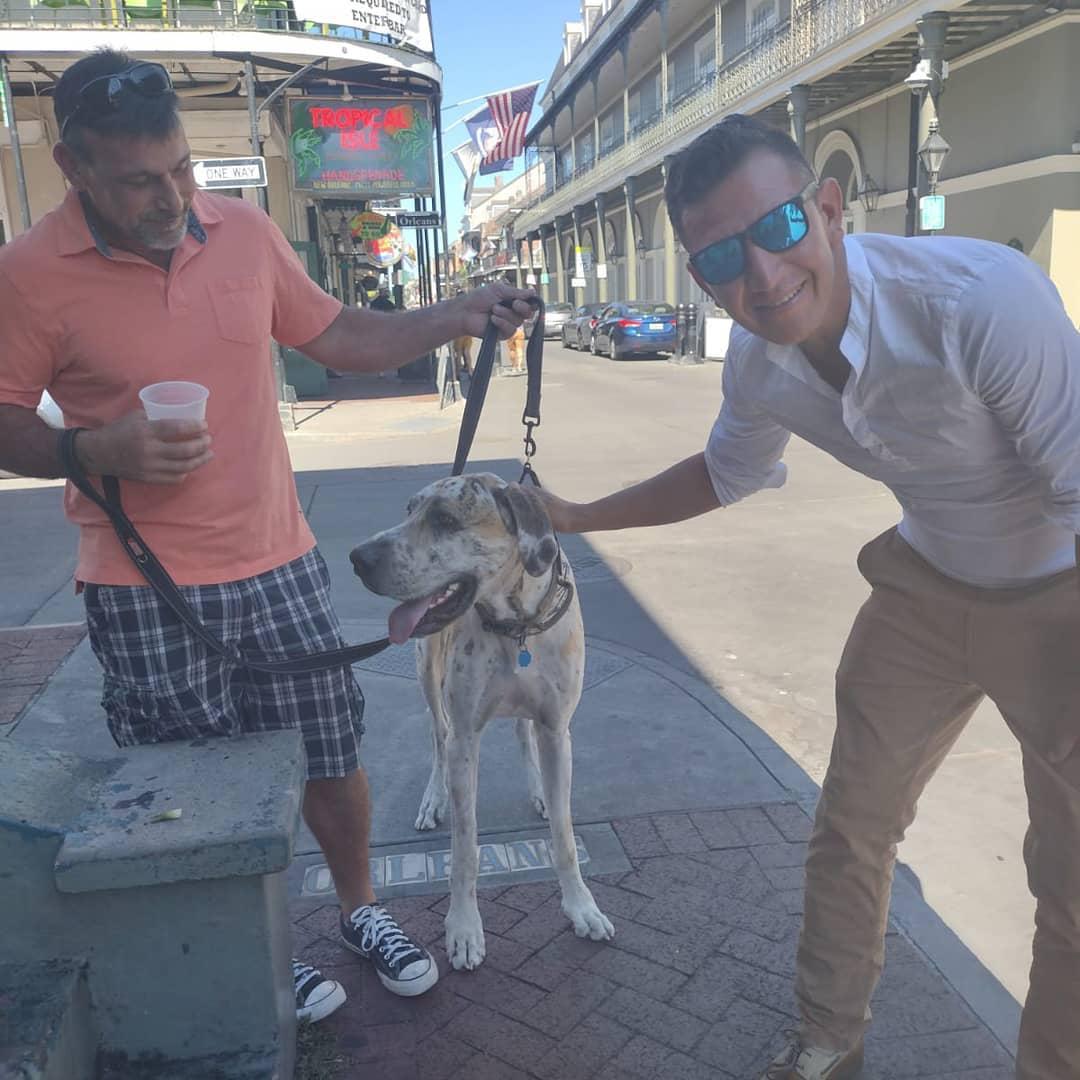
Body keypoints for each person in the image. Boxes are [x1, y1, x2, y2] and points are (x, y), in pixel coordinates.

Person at [540, 114, 1080, 1080]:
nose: (761, 272)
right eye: (721, 257)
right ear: (699, 277)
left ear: (829, 210)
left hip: (1058, 589)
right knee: (851, 826)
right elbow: (723, 474)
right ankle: (828, 1043)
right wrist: (575, 517)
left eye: (780, 227)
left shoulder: (979, 303)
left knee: (1071, 880)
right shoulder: (760, 365)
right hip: (924, 586)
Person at [0, 50, 534, 1026]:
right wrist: (89, 448)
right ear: (74, 169)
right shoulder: (29, 273)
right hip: (142, 585)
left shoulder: (242, 233)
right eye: (139, 182)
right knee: (189, 790)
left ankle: (361, 910)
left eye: (181, 169)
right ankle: (257, 949)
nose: (173, 199)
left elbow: (339, 336)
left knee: (331, 755)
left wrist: (456, 314)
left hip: (278, 560)